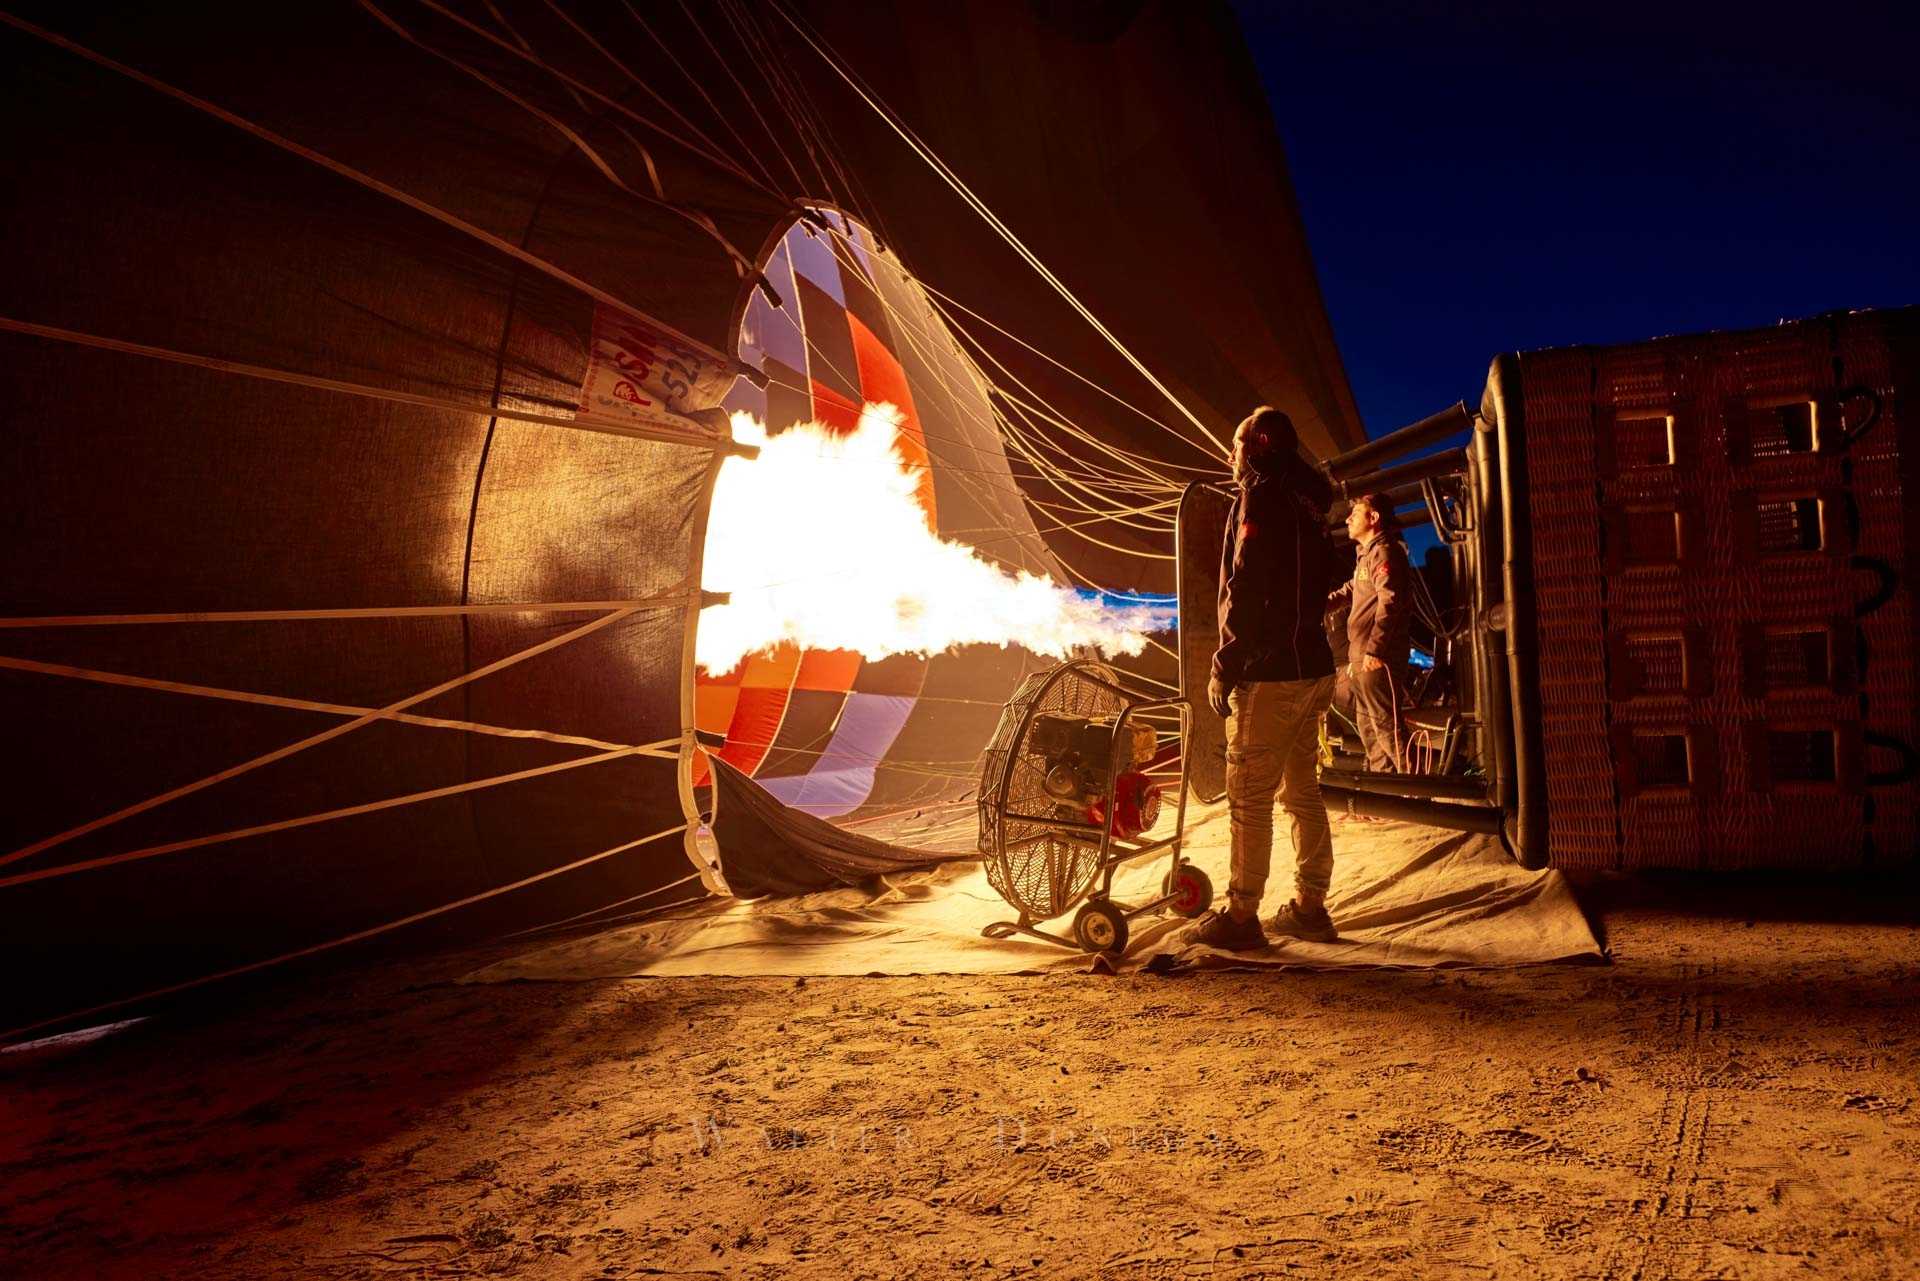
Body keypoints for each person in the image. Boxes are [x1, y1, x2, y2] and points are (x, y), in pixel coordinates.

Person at [1186, 407, 1340, 950]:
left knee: (1249, 797)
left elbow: (1246, 584)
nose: (1229, 455)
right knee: (1303, 791)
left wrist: (1225, 663)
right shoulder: (1309, 503)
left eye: (1235, 444)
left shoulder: (1259, 496)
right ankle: (1309, 907)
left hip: (1271, 674)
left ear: (1255, 448)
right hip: (1314, 668)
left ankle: (1242, 915)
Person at [1328, 492, 1411, 774]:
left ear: (1373, 518)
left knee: (1386, 725)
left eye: (1356, 513)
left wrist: (1375, 649)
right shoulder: (1366, 555)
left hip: (1377, 657)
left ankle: (1418, 792)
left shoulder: (1385, 552)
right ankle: (1386, 790)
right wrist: (1321, 604)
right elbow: (1352, 589)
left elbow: (1391, 602)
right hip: (1361, 655)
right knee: (1369, 727)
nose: (1348, 519)